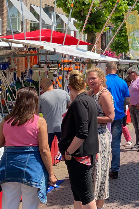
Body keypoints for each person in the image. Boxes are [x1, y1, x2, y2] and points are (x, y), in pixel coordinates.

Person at [0, 87, 57, 209]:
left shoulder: (6, 120)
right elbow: (44, 150)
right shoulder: (39, 121)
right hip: (31, 166)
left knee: (8, 202)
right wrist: (51, 173)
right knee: (30, 203)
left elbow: (0, 142)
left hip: (8, 165)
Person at [59, 70, 99, 209]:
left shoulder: (80, 102)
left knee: (86, 195)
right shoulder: (88, 99)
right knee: (78, 193)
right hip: (85, 153)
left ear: (69, 87)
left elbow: (82, 132)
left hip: (79, 155)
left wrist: (69, 151)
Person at [87, 67, 115, 209]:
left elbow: (110, 117)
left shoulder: (104, 95)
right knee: (92, 172)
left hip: (100, 136)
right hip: (91, 136)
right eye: (89, 78)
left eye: (93, 78)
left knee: (100, 171)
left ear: (101, 79)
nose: (90, 81)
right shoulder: (91, 93)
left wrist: (91, 118)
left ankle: (99, 205)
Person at [105, 61, 130, 179]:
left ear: (106, 69)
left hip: (104, 117)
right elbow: (128, 101)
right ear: (116, 69)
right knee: (115, 143)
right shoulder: (123, 82)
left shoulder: (103, 81)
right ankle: (115, 169)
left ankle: (103, 168)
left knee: (103, 142)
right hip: (119, 115)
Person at [39, 78, 71, 148]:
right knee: (65, 148)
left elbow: (36, 112)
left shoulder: (42, 97)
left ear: (42, 87)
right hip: (63, 126)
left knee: (47, 148)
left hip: (48, 127)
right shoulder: (63, 93)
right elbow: (70, 106)